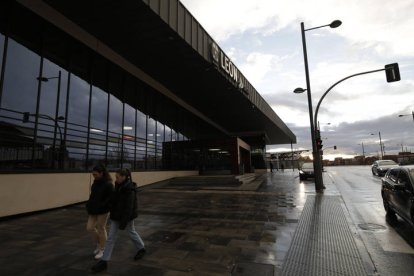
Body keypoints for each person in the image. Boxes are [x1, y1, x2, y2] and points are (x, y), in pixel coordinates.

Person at [91, 169, 145, 273]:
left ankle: (141, 248)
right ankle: (104, 261)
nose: (116, 179)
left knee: (131, 232)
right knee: (111, 238)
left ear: (124, 177)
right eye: (115, 177)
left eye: (117, 177)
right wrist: (107, 204)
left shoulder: (130, 189)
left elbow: (129, 208)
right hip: (116, 216)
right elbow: (114, 199)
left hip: (126, 217)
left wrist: (124, 222)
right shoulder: (118, 185)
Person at [86, 165, 114, 260]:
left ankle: (103, 249)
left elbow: (110, 199)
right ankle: (99, 244)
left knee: (101, 228)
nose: (94, 176)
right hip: (93, 209)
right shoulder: (95, 183)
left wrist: (103, 206)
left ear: (101, 173)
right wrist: (89, 204)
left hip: (103, 211)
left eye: (96, 174)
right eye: (93, 174)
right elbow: (92, 196)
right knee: (89, 228)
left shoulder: (108, 184)